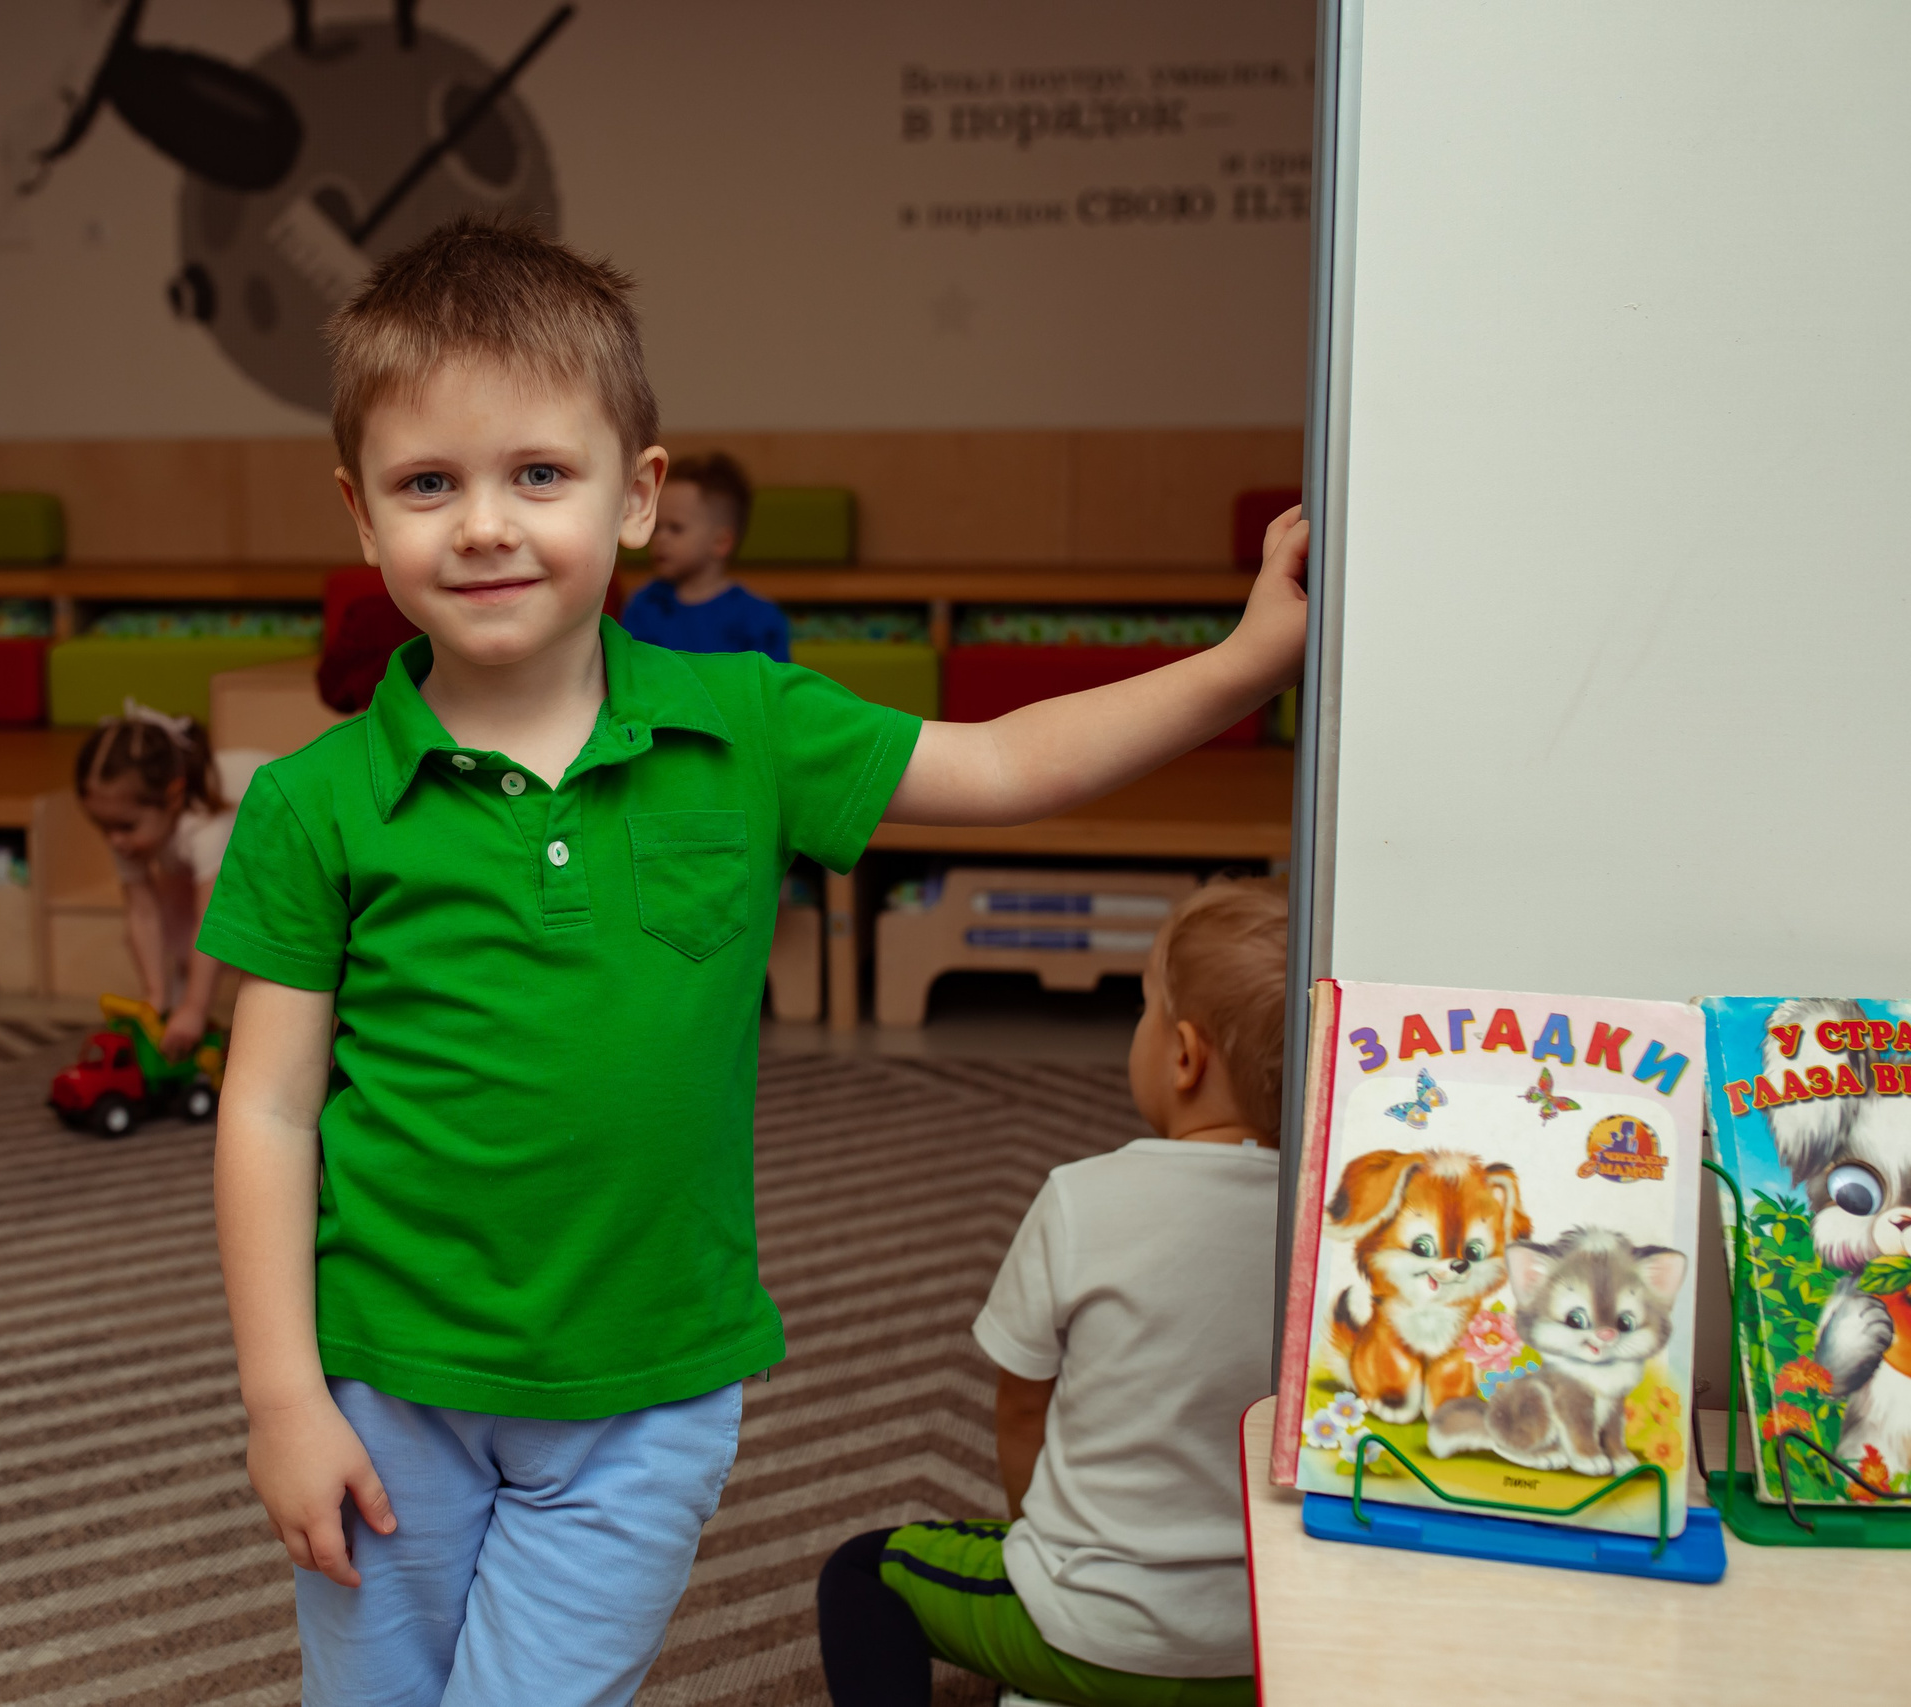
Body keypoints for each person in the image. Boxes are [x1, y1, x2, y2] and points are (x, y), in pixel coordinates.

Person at [201, 213, 1308, 1707]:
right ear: (360, 513)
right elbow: (269, 1108)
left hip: (647, 1392)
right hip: (384, 1375)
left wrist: (1244, 662)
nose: (483, 524)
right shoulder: (309, 800)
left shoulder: (749, 722)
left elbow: (1004, 763)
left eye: (539, 474)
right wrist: (282, 1397)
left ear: (639, 495)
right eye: (427, 483)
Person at [816, 878, 1291, 1707]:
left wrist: (1036, 1541)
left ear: (1184, 1055)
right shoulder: (1330, 1225)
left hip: (1083, 1633)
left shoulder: (1081, 1198)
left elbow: (1020, 1407)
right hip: (1260, 1652)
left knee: (862, 1572)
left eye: (1143, 1010)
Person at [74, 699, 237, 1059]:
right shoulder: (126, 830)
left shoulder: (207, 828)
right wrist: (155, 997)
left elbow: (214, 922)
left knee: (245, 939)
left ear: (174, 797)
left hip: (286, 863)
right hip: (208, 876)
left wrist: (195, 1008)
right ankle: (175, 1010)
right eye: (102, 826)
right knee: (172, 920)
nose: (115, 841)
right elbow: (143, 914)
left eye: (125, 827)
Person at [618, 450, 789, 660]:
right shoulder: (643, 606)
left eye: (675, 528)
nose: (660, 538)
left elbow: (773, 680)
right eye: (656, 527)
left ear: (721, 542)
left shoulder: (758, 618)